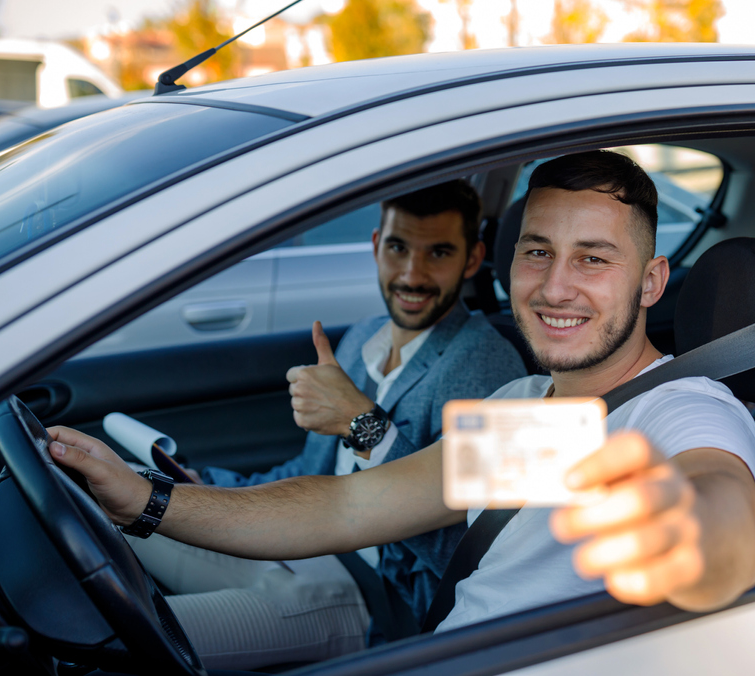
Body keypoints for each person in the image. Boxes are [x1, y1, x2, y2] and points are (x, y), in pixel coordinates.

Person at [52, 150, 755, 651]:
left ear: (650, 283)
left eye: (593, 257)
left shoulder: (681, 405)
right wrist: (145, 501)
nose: (555, 286)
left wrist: (686, 531)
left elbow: (724, 502)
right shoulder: (530, 409)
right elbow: (345, 506)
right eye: (537, 251)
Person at [129, 180, 527, 669]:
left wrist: (363, 423)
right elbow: (309, 471)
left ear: (471, 259)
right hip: (299, 540)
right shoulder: (364, 336)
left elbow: (469, 551)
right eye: (399, 247)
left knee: (136, 633)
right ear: (377, 246)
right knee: (119, 496)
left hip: (374, 595)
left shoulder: (487, 367)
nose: (412, 274)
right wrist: (209, 485)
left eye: (438, 252)